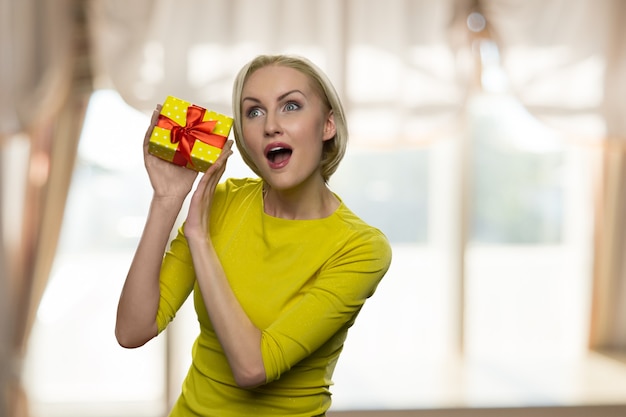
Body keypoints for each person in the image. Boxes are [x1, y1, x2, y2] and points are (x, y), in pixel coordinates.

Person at [115, 54, 392, 417]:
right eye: (254, 112)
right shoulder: (225, 200)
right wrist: (167, 200)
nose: (271, 126)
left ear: (327, 126)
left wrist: (200, 237)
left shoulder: (361, 247)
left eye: (290, 106)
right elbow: (132, 330)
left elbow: (252, 368)